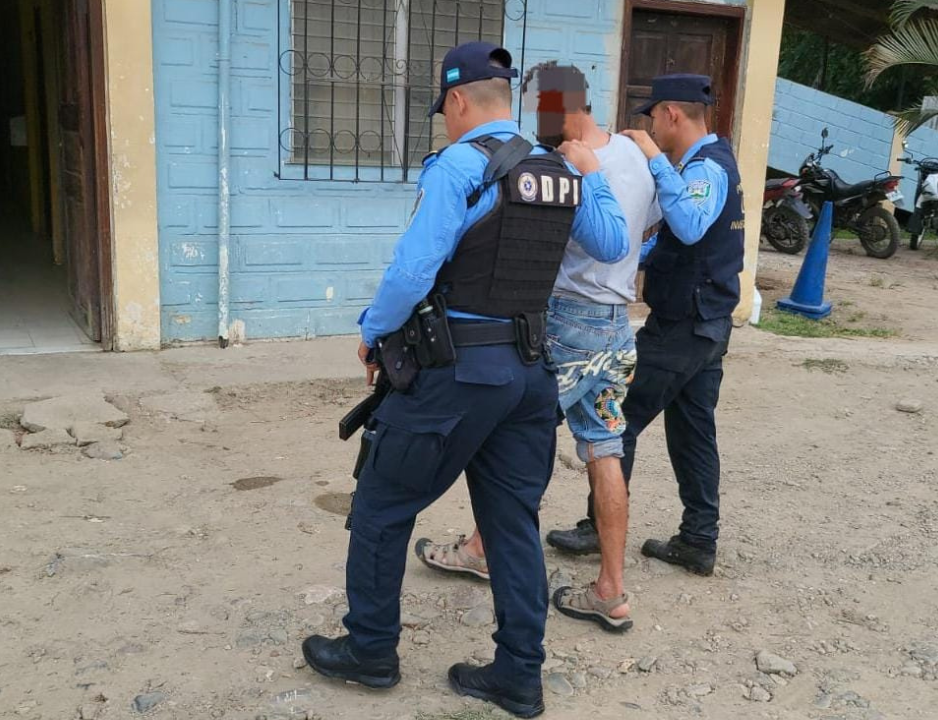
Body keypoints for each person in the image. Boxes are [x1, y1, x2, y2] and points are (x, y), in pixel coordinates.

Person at [299, 42, 628, 719]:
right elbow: (613, 244)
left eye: (443, 110)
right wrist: (591, 173)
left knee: (382, 505)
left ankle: (370, 651)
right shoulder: (558, 171)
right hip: (529, 376)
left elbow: (413, 271)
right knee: (512, 523)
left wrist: (373, 330)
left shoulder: (458, 165)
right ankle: (518, 676)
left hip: (458, 374)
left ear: (456, 100)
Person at [413, 62, 661, 634]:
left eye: (540, 108)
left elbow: (573, 235)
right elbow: (647, 227)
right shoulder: (635, 155)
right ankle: (611, 590)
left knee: (512, 433)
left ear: (560, 104)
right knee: (605, 448)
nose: (535, 121)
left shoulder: (567, 166)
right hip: (618, 322)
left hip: (566, 319)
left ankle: (482, 551)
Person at [546, 73, 745, 577]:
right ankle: (698, 540)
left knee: (615, 421)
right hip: (706, 322)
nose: (651, 126)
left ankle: (598, 530)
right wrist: (634, 254)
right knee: (693, 432)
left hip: (684, 325)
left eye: (654, 116)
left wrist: (654, 158)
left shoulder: (705, 167)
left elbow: (690, 225)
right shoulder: (704, 163)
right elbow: (672, 236)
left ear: (671, 114)